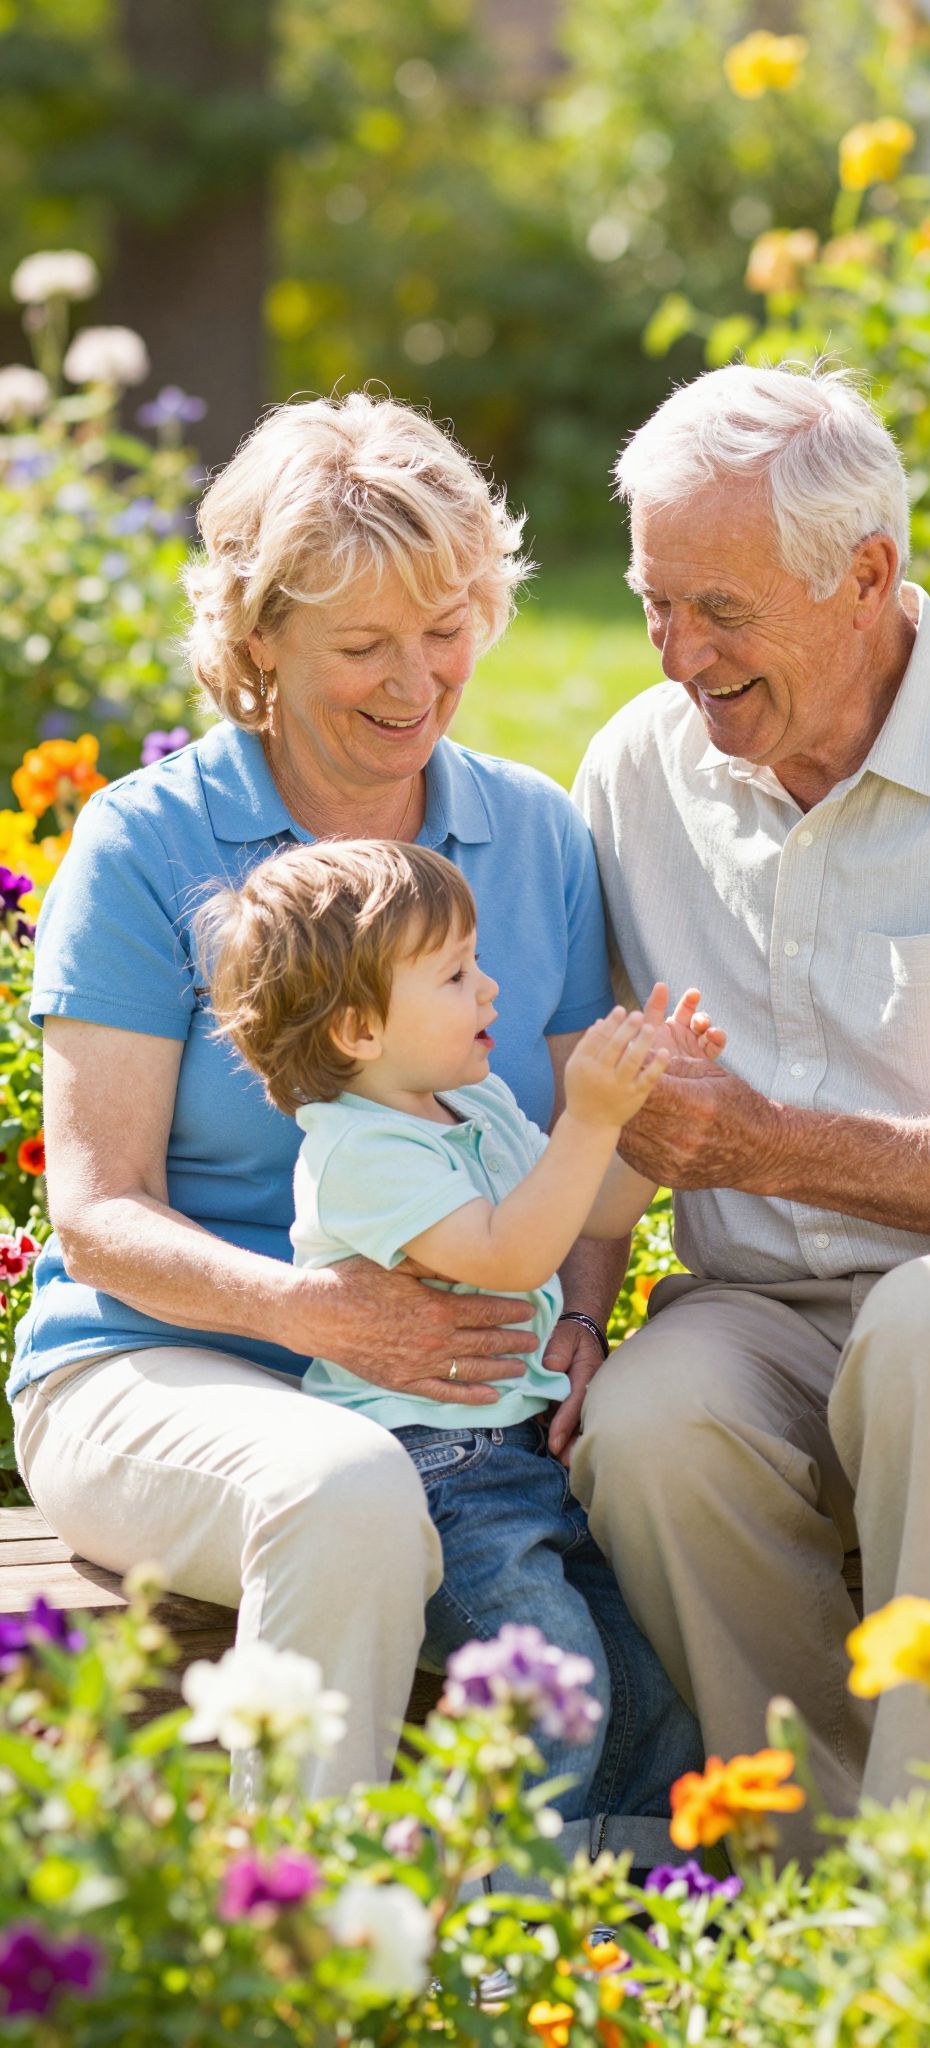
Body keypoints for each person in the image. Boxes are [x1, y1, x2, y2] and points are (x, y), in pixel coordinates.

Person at [8, 391, 640, 1800]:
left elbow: (579, 1125)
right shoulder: (145, 844)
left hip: (463, 1404)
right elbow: (102, 1215)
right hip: (154, 1364)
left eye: (448, 626)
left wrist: (587, 1317)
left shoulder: (530, 830)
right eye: (363, 644)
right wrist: (313, 1314)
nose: (417, 678)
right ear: (257, 643)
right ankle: (303, 1958)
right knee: (345, 1490)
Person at [569, 360, 930, 1857]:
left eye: (722, 610)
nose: (677, 653)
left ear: (868, 575)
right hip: (771, 1306)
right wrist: (575, 1316)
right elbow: (611, 1101)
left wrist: (756, 1141)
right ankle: (810, 1888)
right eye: (654, 601)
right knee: (648, 1421)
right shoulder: (640, 771)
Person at [199, 836, 708, 1829]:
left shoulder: (470, 1101)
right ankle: (501, 1928)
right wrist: (589, 1117)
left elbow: (591, 1214)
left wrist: (644, 1112)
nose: (490, 989)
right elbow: (514, 1251)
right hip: (443, 1477)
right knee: (545, 1687)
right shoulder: (358, 1151)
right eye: (455, 973)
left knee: (646, 1682)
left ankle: (632, 1902)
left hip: (526, 1456)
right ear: (355, 1027)